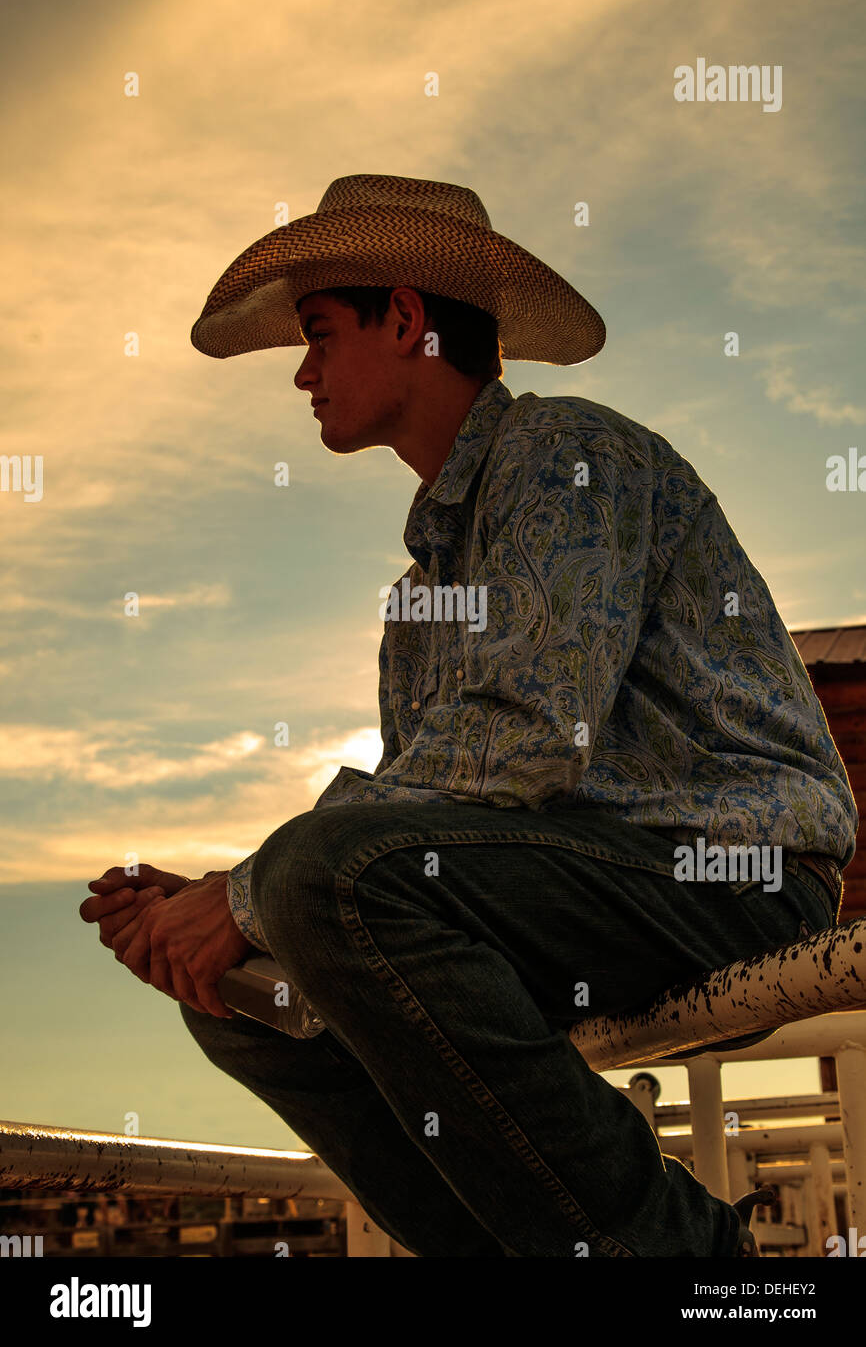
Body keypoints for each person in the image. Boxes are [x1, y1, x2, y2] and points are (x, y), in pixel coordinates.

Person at [79, 174, 858, 1257]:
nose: (300, 373)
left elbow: (526, 736)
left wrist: (254, 888)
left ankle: (682, 1258)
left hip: (729, 871)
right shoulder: (415, 600)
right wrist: (236, 918)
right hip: (574, 885)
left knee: (312, 880)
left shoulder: (567, 454)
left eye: (316, 333)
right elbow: (421, 828)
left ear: (404, 319)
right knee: (243, 1002)